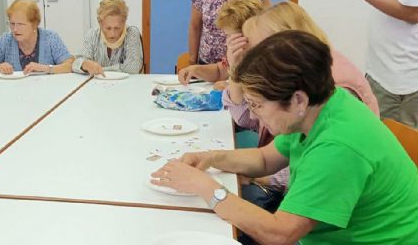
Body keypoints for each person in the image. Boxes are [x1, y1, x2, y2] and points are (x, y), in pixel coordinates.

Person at [152, 31, 418, 245]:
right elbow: (265, 158)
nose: (254, 114)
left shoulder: (338, 147)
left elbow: (280, 234)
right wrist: (209, 158)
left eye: (257, 104)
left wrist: (205, 187)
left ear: (297, 100)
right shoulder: (322, 105)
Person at [224, 1, 379, 211]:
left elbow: (321, 164)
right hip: (297, 182)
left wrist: (256, 180)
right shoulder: (296, 76)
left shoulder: (332, 84)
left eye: (258, 50)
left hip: (333, 206)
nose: (255, 58)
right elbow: (251, 124)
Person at [179, 0, 268, 86]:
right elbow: (220, 71)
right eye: (227, 36)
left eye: (230, 36)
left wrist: (229, 88)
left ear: (251, 33)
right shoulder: (238, 53)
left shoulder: (265, 59)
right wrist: (195, 70)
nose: (227, 41)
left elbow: (254, 91)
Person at [0, 0, 73, 74]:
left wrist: (46, 68)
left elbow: (70, 65)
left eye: (20, 24)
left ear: (34, 24)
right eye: (12, 24)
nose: (15, 29)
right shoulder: (6, 40)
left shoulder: (50, 38)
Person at [72, 0, 143, 75]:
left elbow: (133, 68)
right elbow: (75, 63)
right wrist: (84, 64)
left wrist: (100, 69)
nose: (112, 34)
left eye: (117, 28)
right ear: (100, 23)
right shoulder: (92, 34)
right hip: (97, 85)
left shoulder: (132, 33)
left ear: (124, 23)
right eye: (108, 28)